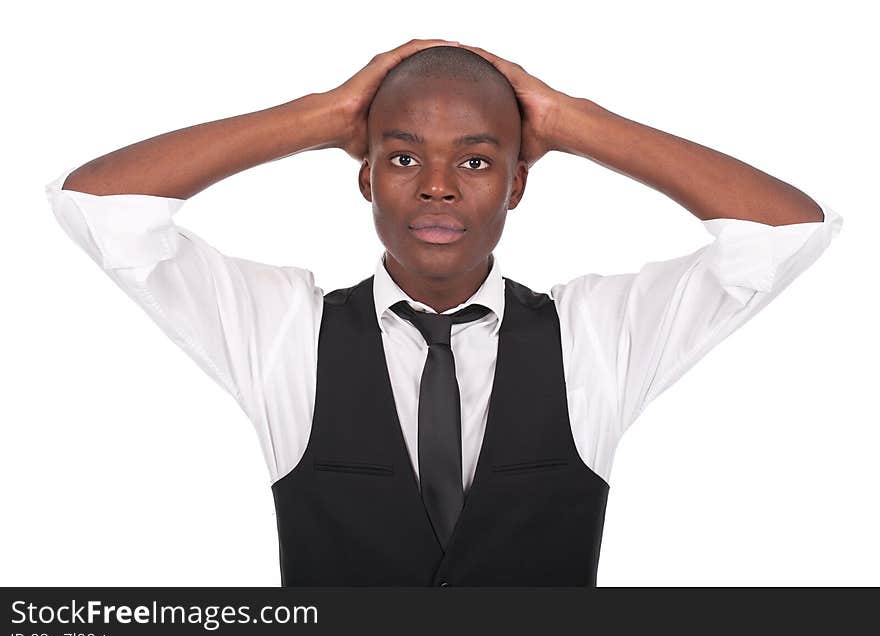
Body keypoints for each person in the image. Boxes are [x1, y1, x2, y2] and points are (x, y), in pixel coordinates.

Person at [45, 38, 843, 586]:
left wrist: (567, 121)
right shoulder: (284, 332)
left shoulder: (595, 337)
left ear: (518, 184)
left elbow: (785, 232)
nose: (437, 184)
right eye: (400, 157)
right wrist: (325, 116)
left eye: (476, 159)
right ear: (364, 179)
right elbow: (101, 208)